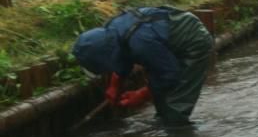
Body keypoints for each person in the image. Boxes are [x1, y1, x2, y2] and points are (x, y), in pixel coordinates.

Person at [72, 7, 215, 127]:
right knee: (161, 98)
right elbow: (122, 54)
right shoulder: (111, 30)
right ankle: (164, 123)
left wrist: (141, 95)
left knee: (175, 106)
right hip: (163, 42)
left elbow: (170, 75)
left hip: (193, 42)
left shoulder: (142, 44)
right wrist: (115, 85)